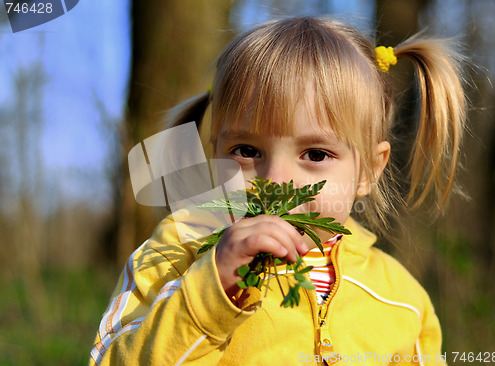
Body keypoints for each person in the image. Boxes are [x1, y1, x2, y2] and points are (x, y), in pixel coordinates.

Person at [90, 17, 466, 365]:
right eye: (248, 151)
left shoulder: (402, 299)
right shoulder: (179, 248)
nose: (276, 179)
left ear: (369, 170)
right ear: (215, 153)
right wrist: (210, 291)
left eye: (315, 154)